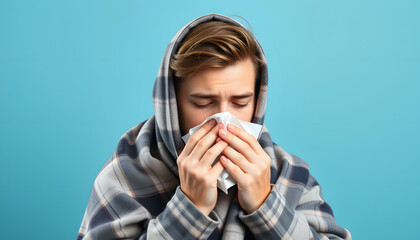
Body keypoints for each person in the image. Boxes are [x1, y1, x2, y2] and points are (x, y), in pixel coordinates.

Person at [77, 13, 351, 240]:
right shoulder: (124, 176)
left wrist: (267, 205)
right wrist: (189, 210)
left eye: (240, 102)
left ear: (259, 101)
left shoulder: (288, 175)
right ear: (172, 104)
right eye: (203, 102)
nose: (224, 123)